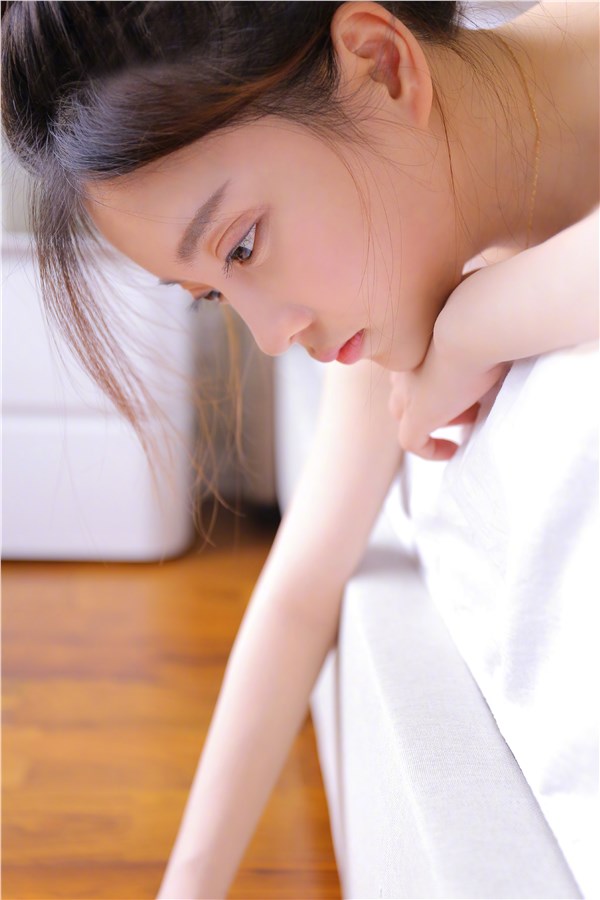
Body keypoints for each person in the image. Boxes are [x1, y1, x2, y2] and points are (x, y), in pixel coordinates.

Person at [1, 1, 598, 897]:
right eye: (212, 293)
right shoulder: (407, 233)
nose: (272, 337)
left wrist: (483, 323)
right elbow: (300, 589)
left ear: (382, 65)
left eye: (243, 245)